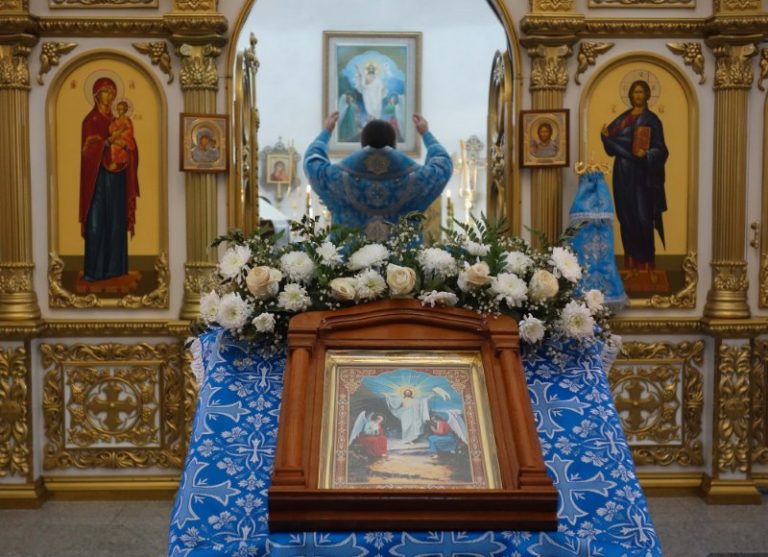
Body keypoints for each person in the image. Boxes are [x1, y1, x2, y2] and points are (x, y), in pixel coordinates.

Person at [304, 113, 453, 240]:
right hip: (404, 264)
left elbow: (312, 163)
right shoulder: (416, 180)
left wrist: (326, 131)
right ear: (394, 144)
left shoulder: (339, 179)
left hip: (348, 264)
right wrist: (426, 134)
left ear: (362, 143)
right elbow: (443, 166)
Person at [600, 79, 669, 273]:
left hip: (642, 176)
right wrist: (604, 136)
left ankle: (647, 264)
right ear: (630, 95)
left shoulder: (652, 120)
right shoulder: (623, 119)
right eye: (635, 92)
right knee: (626, 217)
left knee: (643, 218)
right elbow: (610, 142)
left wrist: (647, 155)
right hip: (623, 174)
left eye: (641, 92)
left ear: (647, 95)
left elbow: (661, 150)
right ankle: (630, 264)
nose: (638, 95)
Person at [79, 77, 139, 282]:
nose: (110, 96)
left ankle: (115, 268)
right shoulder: (91, 121)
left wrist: (128, 147)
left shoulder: (119, 120)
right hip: (97, 178)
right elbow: (87, 151)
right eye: (106, 92)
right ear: (96, 95)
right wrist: (105, 142)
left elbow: (131, 144)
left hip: (117, 175)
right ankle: (94, 270)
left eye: (113, 93)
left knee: (116, 220)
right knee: (97, 221)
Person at [106, 100, 136, 172]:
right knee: (112, 144)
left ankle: (116, 162)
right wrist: (116, 132)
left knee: (114, 145)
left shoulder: (127, 120)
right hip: (116, 138)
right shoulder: (115, 120)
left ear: (125, 110)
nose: (119, 111)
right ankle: (114, 161)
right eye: (118, 109)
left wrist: (121, 134)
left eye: (121, 109)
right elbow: (111, 129)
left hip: (126, 140)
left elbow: (130, 131)